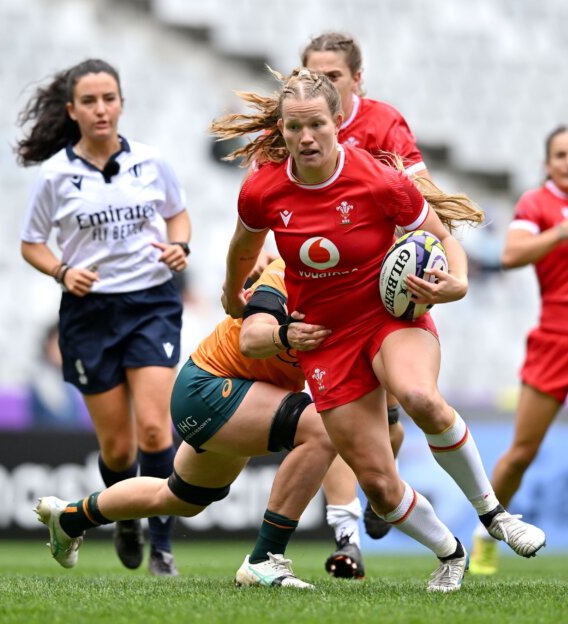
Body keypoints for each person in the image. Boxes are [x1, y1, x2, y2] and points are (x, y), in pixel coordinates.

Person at [213, 67, 546, 592]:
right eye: (294, 126)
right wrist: (233, 294)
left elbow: (443, 238)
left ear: (337, 120)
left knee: (418, 395)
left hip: (388, 316)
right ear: (282, 129)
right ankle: (451, 553)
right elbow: (243, 248)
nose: (306, 137)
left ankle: (495, 515)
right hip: (325, 338)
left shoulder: (378, 178)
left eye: (317, 125)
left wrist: (457, 282)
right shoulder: (263, 190)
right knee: (380, 486)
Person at [36, 258, 337, 588]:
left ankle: (70, 518)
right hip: (210, 386)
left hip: (242, 394)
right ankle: (264, 559)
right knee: (321, 428)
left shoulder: (348, 295)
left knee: (179, 498)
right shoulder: (288, 271)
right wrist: (282, 331)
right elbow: (251, 339)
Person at [17, 59, 191, 576]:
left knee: (155, 430)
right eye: (89, 101)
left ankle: (162, 546)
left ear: (121, 103)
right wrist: (62, 271)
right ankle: (126, 517)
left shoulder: (151, 161)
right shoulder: (55, 175)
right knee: (117, 448)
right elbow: (31, 244)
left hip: (151, 302)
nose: (101, 109)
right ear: (72, 110)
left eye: (109, 98)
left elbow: (178, 214)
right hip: (90, 313)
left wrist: (180, 245)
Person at [300, 31, 430, 571]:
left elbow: (422, 192)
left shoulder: (383, 123)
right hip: (320, 287)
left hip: (381, 288)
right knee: (330, 414)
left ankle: (382, 492)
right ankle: (345, 533)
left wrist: (434, 247)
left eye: (332, 76)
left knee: (389, 422)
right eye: (313, 76)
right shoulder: (296, 124)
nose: (322, 85)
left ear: (357, 79)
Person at [471, 125, 568, 574]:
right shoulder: (537, 204)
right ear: (547, 164)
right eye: (561, 155)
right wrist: (561, 232)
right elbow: (510, 255)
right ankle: (486, 531)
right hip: (555, 340)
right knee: (522, 453)